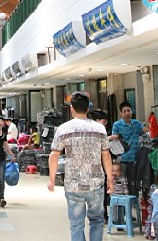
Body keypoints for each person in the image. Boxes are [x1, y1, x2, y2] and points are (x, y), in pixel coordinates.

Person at [48, 92, 113, 241]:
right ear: (88, 108)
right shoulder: (99, 129)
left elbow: (54, 156)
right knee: (97, 221)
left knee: (76, 225)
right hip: (96, 183)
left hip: (73, 184)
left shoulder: (63, 129)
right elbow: (106, 155)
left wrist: (51, 180)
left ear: (72, 108)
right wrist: (110, 179)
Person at [110, 101, 143, 195]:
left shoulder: (137, 124)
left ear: (131, 111)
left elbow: (146, 131)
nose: (127, 113)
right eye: (124, 111)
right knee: (122, 183)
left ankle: (133, 200)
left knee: (134, 183)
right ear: (121, 113)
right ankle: (123, 201)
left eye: (128, 110)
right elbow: (113, 141)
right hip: (122, 160)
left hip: (135, 158)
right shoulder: (117, 125)